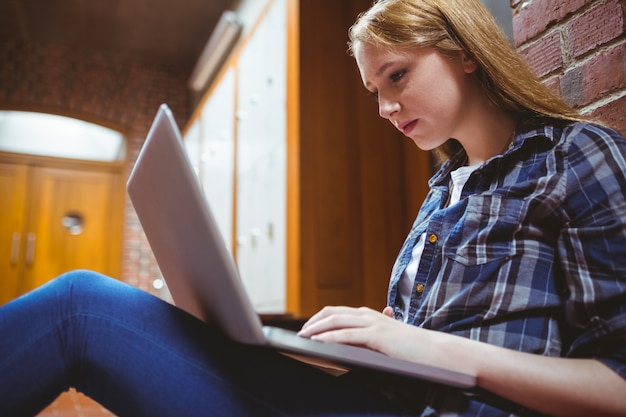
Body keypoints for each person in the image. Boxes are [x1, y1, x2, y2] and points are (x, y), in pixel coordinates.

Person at [2, 0, 625, 415]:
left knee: (80, 308)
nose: (384, 107)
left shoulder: (575, 156)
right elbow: (409, 351)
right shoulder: (443, 193)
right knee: (112, 313)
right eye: (374, 89)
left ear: (464, 50)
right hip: (374, 402)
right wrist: (335, 347)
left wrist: (419, 345)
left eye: (397, 75)